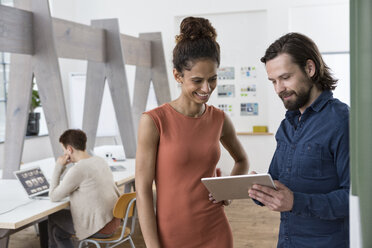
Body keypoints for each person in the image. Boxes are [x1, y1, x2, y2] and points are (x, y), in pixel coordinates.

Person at [135, 17, 248, 248]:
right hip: (172, 233)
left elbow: (242, 160)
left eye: (213, 79)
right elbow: (143, 190)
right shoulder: (154, 121)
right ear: (178, 76)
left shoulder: (219, 119)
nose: (207, 89)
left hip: (215, 229)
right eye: (197, 80)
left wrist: (227, 189)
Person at [248, 33, 349, 247]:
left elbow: (356, 198)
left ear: (310, 69)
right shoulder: (286, 126)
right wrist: (259, 190)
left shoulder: (342, 121)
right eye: (273, 81)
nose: (278, 89)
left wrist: (296, 201)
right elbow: (277, 180)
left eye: (285, 78)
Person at [48, 129, 120, 248]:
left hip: (101, 227)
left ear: (69, 149)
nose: (64, 153)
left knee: (53, 217)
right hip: (114, 221)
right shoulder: (100, 160)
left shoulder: (78, 169)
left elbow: (53, 196)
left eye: (64, 150)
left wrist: (58, 166)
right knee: (58, 233)